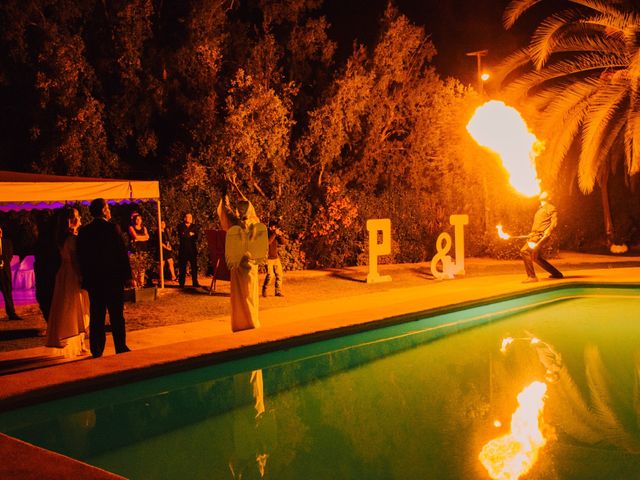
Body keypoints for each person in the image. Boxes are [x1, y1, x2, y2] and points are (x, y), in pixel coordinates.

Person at [77, 198, 132, 357]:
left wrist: (85, 275)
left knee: (97, 314)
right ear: (103, 210)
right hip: (112, 278)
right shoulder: (112, 228)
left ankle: (97, 348)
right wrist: (127, 275)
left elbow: (81, 256)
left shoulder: (85, 231)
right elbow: (121, 253)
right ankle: (120, 346)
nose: (109, 211)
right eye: (107, 208)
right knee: (116, 314)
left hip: (95, 280)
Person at [217, 187, 267, 332]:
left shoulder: (238, 223)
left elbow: (227, 211)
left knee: (241, 294)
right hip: (248, 263)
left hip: (241, 263)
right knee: (249, 294)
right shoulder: (254, 221)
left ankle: (243, 323)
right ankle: (251, 321)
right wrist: (236, 187)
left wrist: (225, 193)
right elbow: (244, 204)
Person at [45, 207, 89, 357]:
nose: (80, 219)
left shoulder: (62, 237)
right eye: (77, 216)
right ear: (72, 220)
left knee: (68, 307)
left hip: (64, 273)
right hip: (71, 274)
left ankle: (78, 342)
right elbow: (75, 260)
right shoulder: (71, 238)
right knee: (76, 307)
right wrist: (81, 276)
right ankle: (78, 343)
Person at [521, 191, 564, 283]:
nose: (542, 193)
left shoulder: (551, 208)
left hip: (541, 236)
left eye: (545, 193)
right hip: (535, 235)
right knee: (536, 257)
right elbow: (539, 224)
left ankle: (532, 277)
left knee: (524, 251)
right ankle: (556, 274)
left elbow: (554, 222)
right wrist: (532, 233)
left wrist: (549, 230)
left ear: (549, 198)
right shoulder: (539, 209)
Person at [33, 212, 61, 322]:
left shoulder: (42, 242)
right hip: (48, 274)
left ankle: (51, 323)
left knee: (46, 300)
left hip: (45, 274)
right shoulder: (52, 241)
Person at [0, 224, 21, 320]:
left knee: (7, 292)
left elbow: (10, 254)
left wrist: (3, 261)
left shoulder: (7, 242)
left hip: (4, 271)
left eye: (0, 230)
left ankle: (11, 313)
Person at [262, 220, 286, 297]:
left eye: (276, 227)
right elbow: (267, 243)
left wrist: (280, 235)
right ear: (270, 227)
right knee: (270, 275)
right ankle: (264, 289)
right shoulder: (265, 233)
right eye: (274, 227)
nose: (275, 228)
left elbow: (283, 242)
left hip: (275, 258)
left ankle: (278, 291)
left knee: (279, 274)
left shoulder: (275, 234)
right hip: (268, 258)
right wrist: (274, 234)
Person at [177, 212, 200, 287]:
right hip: (183, 249)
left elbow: (196, 236)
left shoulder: (194, 226)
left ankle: (195, 282)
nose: (190, 219)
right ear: (184, 218)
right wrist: (190, 234)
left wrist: (188, 234)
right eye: (188, 217)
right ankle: (181, 283)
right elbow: (181, 235)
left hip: (192, 250)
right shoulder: (180, 226)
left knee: (194, 267)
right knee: (182, 267)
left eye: (191, 217)